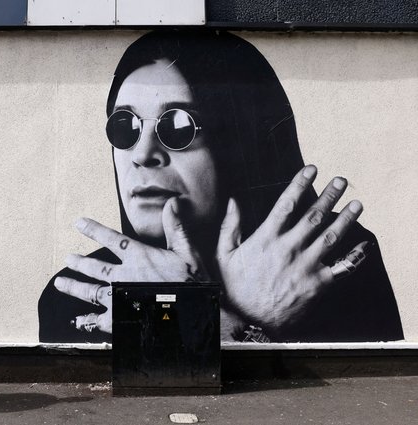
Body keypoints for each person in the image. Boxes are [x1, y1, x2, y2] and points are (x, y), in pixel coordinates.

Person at [38, 30, 404, 344]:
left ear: (244, 142)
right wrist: (237, 318)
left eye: (177, 127)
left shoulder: (330, 259)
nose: (142, 153)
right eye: (125, 127)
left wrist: (218, 322)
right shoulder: (82, 294)